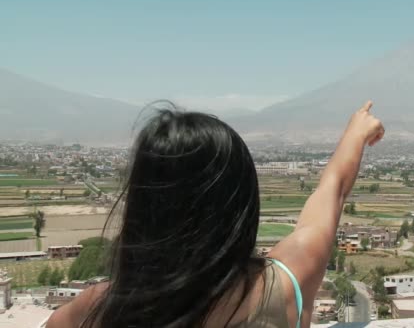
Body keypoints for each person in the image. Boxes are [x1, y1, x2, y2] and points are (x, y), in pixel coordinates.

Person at [47, 101, 384, 328]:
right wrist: (356, 134)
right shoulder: (282, 288)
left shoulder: (95, 310)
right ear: (241, 206)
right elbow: (333, 190)